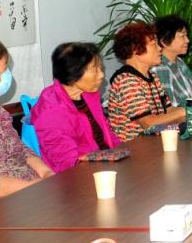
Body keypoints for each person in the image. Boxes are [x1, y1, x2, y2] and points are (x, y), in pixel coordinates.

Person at [0, 34, 52, 212]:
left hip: (29, 196)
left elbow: (18, 148)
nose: (8, 76)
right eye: (4, 69)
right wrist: (30, 188)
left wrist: (46, 173)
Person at [30, 42, 123, 173]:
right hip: (80, 174)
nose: (101, 75)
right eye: (95, 70)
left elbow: (107, 132)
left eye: (100, 68)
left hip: (106, 163)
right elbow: (68, 162)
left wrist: (121, 152)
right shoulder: (51, 111)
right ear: (73, 74)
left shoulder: (88, 95)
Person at [107, 22, 186, 141]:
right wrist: (183, 112)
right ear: (135, 50)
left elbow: (168, 110)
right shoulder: (126, 81)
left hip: (154, 140)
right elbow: (147, 123)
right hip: (135, 146)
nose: (160, 48)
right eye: (154, 44)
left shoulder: (151, 75)